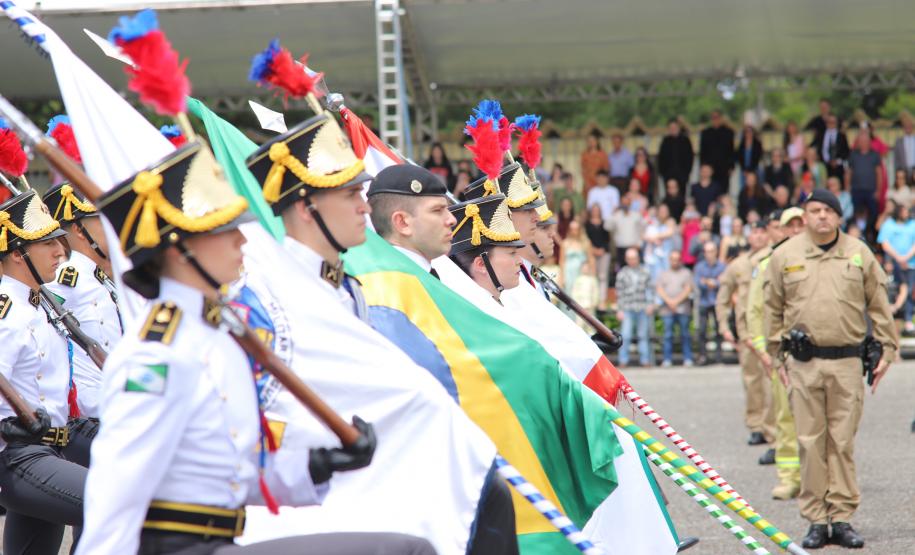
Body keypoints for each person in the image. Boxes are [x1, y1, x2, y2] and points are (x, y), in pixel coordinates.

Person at [366, 164, 519, 554]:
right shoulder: (387, 288)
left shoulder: (429, 279)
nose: (452, 219)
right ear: (402, 222)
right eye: (438, 211)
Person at [764, 189, 896, 549]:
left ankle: (841, 518)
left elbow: (879, 305)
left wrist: (887, 349)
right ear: (805, 216)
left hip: (848, 363)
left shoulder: (859, 253)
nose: (821, 216)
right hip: (804, 364)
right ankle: (816, 520)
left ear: (839, 216)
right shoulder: (785, 255)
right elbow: (771, 308)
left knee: (842, 442)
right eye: (814, 210)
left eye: (828, 210)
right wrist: (777, 356)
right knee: (810, 444)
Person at [0, 189, 88, 554]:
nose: (59, 252)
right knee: (118, 502)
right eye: (47, 244)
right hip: (18, 456)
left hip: (49, 451)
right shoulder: (9, 314)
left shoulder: (37, 305)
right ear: (17, 254)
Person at [43, 183, 122, 466]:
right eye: (102, 221)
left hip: (113, 401)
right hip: (91, 412)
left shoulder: (98, 276)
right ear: (79, 230)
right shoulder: (66, 277)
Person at [745, 207, 805, 497]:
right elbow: (755, 310)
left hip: (820, 352)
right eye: (789, 225)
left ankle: (821, 478)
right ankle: (790, 477)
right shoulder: (769, 263)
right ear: (781, 230)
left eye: (800, 224)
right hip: (784, 354)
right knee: (785, 418)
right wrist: (764, 351)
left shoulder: (825, 259)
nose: (795, 230)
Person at [716, 221, 774, 446]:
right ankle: (756, 425)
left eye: (762, 232)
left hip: (769, 329)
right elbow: (723, 296)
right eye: (754, 232)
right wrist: (724, 326)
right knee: (752, 381)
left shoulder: (775, 257)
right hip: (747, 333)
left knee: (772, 381)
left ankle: (772, 428)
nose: (758, 236)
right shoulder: (738, 264)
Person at [877, 202, 915, 335]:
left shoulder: (912, 224)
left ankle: (908, 319)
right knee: (890, 290)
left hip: (910, 263)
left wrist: (906, 257)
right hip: (893, 264)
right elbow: (884, 243)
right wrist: (898, 258)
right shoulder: (889, 224)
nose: (906, 213)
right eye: (903, 211)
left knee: (909, 292)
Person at [615, 247, 654, 367]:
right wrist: (619, 310)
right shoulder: (622, 273)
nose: (632, 260)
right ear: (626, 259)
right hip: (627, 308)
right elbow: (619, 293)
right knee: (625, 336)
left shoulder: (645, 271)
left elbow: (650, 290)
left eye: (634, 258)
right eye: (630, 258)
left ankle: (645, 360)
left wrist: (650, 304)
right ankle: (623, 360)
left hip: (642, 307)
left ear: (638, 258)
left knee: (643, 336)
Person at [656, 250, 693, 367]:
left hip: (683, 309)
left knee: (685, 334)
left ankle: (687, 358)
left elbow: (688, 289)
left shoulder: (686, 273)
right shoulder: (663, 274)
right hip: (667, 309)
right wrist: (670, 301)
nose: (675, 262)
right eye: (672, 259)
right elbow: (659, 289)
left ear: (680, 260)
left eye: (677, 259)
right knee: (667, 335)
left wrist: (676, 301)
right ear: (669, 260)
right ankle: (667, 359)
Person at [693, 241, 726, 365]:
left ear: (716, 252)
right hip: (704, 302)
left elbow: (724, 281)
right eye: (707, 252)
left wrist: (709, 282)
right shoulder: (699, 266)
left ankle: (719, 357)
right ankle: (703, 356)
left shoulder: (722, 266)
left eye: (711, 251)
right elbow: (698, 283)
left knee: (719, 330)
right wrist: (713, 282)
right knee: (702, 330)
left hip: (717, 302)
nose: (709, 254)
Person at [845, 130, 882, 230]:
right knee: (855, 213)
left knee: (873, 213)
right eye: (861, 141)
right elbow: (848, 172)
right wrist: (847, 188)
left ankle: (870, 233)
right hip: (856, 190)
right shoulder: (853, 154)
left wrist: (878, 191)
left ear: (869, 142)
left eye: (865, 141)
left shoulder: (875, 155)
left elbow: (879, 174)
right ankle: (856, 233)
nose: (863, 143)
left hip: (871, 190)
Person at [605, 195, 644, 270]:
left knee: (636, 270)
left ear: (630, 203)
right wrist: (613, 213)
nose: (625, 205)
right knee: (622, 270)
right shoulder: (616, 215)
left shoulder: (636, 215)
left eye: (627, 203)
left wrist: (639, 243)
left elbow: (642, 230)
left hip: (634, 247)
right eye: (623, 203)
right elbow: (607, 226)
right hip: (621, 248)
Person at [700, 110, 736, 189]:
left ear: (721, 118)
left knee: (723, 191)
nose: (715, 120)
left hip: (724, 168)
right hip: (709, 169)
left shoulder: (728, 133)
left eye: (717, 117)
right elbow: (703, 152)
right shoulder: (706, 133)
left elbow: (731, 151)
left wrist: (732, 166)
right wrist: (702, 166)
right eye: (713, 118)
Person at [585, 204, 612, 310]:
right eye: (594, 210)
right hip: (591, 252)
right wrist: (593, 250)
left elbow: (608, 239)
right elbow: (586, 239)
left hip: (604, 253)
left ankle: (602, 300)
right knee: (592, 275)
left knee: (603, 276)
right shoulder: (587, 224)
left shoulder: (605, 223)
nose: (595, 212)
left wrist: (602, 249)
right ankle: (592, 299)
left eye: (597, 210)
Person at [658, 118, 694, 192]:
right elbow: (661, 158)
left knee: (681, 194)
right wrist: (663, 173)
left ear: (679, 127)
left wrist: (687, 172)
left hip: (682, 175)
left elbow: (690, 157)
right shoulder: (665, 141)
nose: (673, 129)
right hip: (668, 175)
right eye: (671, 128)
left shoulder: (685, 140)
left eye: (675, 127)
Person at [644, 204, 678, 281]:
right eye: (661, 211)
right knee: (654, 273)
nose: (663, 212)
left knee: (666, 271)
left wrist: (654, 237)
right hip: (654, 252)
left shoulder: (670, 221)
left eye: (665, 211)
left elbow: (669, 233)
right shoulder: (654, 221)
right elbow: (644, 234)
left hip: (666, 252)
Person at [560, 220, 594, 292]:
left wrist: (592, 275)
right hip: (568, 273)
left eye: (576, 229)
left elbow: (591, 259)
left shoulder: (586, 242)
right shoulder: (565, 243)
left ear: (580, 230)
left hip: (582, 272)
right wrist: (562, 277)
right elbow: (562, 261)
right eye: (571, 229)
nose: (574, 231)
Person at [819, 115, 850, 180]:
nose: (831, 124)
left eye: (833, 122)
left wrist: (837, 161)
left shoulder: (842, 136)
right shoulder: (821, 135)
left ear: (836, 123)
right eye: (829, 122)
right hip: (824, 166)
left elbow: (846, 151)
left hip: (838, 166)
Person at [580, 132, 609, 197]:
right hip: (588, 183)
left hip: (600, 182)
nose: (591, 143)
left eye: (593, 141)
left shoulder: (602, 154)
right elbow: (583, 170)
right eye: (589, 141)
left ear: (597, 141)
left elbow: (606, 169)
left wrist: (603, 181)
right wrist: (586, 182)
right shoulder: (585, 154)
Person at [892, 116, 915, 184]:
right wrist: (898, 171)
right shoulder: (899, 141)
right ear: (903, 128)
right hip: (903, 172)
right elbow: (896, 159)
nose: (908, 128)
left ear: (913, 127)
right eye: (906, 126)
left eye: (910, 126)